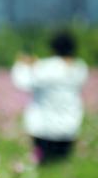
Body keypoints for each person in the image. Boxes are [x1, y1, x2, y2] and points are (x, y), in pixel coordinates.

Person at [11, 31, 88, 164]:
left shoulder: (47, 67)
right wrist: (36, 64)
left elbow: (23, 82)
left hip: (44, 129)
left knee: (45, 167)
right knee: (63, 168)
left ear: (53, 48)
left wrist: (21, 64)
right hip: (70, 127)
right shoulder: (80, 68)